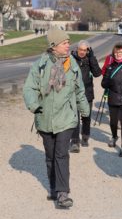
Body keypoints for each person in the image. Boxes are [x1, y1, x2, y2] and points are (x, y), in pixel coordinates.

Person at [23, 26, 90, 208]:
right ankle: (53, 187)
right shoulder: (41, 64)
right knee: (50, 155)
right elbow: (29, 88)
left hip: (66, 118)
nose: (69, 46)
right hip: (44, 117)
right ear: (54, 45)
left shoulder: (72, 63)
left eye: (68, 42)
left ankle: (62, 193)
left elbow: (79, 89)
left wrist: (84, 109)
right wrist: (34, 105)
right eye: (65, 43)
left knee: (61, 154)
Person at [69, 40, 101, 153]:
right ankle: (74, 141)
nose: (82, 52)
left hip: (87, 92)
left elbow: (97, 73)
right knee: (74, 118)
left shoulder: (89, 59)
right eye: (80, 50)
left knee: (86, 116)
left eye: (85, 50)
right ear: (77, 49)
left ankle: (85, 136)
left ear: (88, 50)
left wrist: (92, 58)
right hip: (73, 92)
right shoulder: (71, 59)